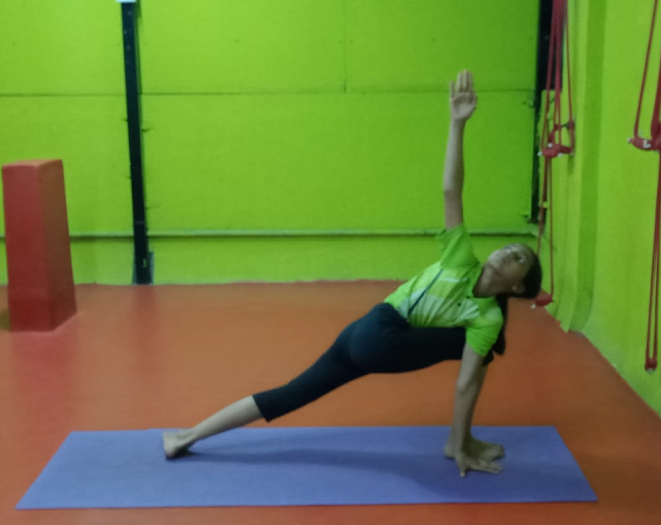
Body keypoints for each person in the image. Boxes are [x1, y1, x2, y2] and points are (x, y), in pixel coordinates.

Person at [163, 70, 542, 477]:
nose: (509, 252)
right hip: (378, 333)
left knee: (289, 396)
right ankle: (188, 434)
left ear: (518, 286)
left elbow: (467, 382)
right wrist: (457, 123)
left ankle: (184, 437)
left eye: (519, 258)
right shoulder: (460, 259)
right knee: (481, 347)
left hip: (367, 335)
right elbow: (452, 189)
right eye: (509, 247)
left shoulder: (486, 316)